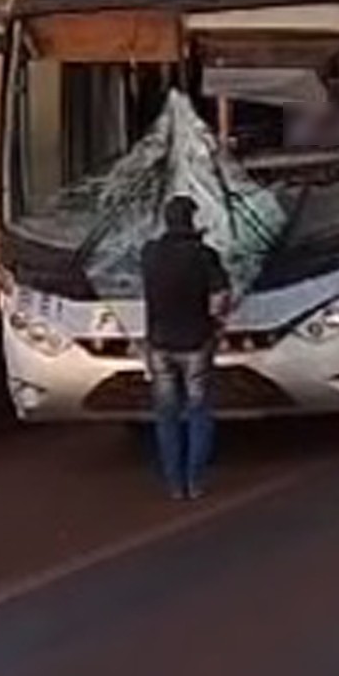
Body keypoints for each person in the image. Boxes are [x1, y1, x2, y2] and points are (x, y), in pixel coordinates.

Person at [141, 195, 232, 500]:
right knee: (199, 410)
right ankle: (195, 481)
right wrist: (216, 324)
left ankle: (174, 484)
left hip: (159, 343)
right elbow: (221, 298)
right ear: (192, 219)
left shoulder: (149, 254)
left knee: (166, 415)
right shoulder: (204, 255)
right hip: (196, 341)